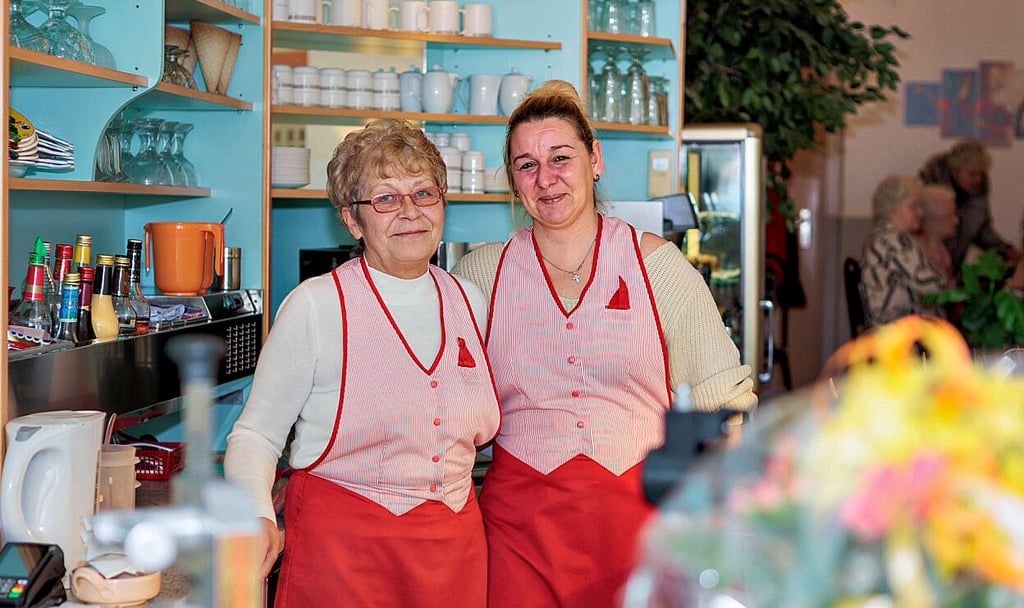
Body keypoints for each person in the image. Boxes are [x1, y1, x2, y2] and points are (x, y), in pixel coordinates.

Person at [453, 80, 757, 607]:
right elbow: (443, 399)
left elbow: (721, 400)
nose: (546, 179)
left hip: (641, 526)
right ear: (512, 181)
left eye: (561, 157)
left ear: (594, 160)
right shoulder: (481, 275)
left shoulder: (658, 267)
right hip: (520, 537)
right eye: (527, 165)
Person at [223, 119, 499, 607]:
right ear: (353, 221)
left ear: (443, 203)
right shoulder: (316, 305)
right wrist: (256, 516)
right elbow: (256, 436)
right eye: (386, 199)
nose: (410, 212)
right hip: (344, 560)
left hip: (456, 555)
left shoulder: (470, 302)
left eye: (423, 193)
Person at [918, 138, 1021, 273]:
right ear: (955, 171)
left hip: (953, 273)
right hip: (927, 272)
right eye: (972, 174)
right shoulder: (929, 191)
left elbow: (982, 231)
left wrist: (1006, 251)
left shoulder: (977, 193)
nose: (978, 180)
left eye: (981, 174)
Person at [860, 175, 949, 325]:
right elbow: (931, 286)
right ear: (893, 207)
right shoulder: (894, 241)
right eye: (914, 206)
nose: (920, 213)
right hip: (897, 332)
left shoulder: (879, 237)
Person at [915, 184, 959, 285]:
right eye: (949, 216)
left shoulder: (941, 249)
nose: (956, 221)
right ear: (931, 220)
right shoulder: (916, 254)